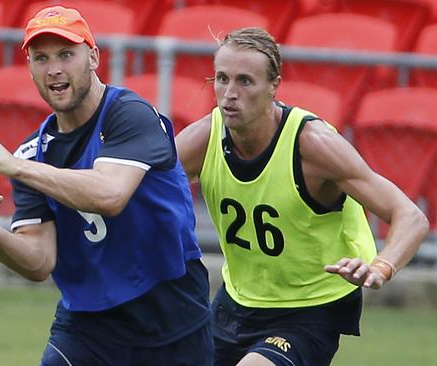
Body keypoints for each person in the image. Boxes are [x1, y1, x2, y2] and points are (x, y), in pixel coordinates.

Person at [0, 5, 213, 366]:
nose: (54, 69)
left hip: (169, 313)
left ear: (93, 57)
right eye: (40, 58)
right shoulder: (31, 153)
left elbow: (110, 194)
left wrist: (21, 168)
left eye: (66, 55)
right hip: (88, 325)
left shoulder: (129, 115)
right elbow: (39, 261)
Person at [175, 27, 429, 366]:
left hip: (309, 309)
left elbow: (410, 216)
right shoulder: (206, 136)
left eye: (245, 81)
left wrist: (381, 267)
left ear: (274, 85)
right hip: (236, 301)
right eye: (221, 79)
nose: (229, 94)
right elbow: (136, 188)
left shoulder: (313, 146)